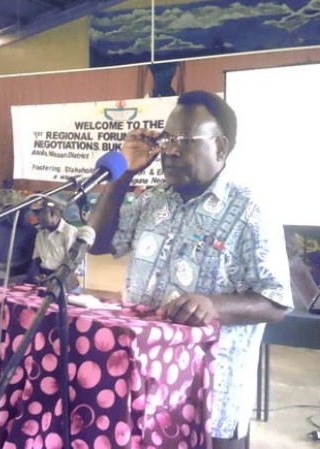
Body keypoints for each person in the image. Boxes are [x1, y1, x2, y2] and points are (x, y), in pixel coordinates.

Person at [88, 90, 293, 449]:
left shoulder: (250, 211)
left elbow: (276, 302)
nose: (170, 150)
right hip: (145, 389)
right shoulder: (153, 200)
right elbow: (97, 242)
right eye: (168, 138)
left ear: (220, 147)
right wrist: (124, 174)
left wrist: (214, 305)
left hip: (209, 399)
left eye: (184, 140)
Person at [28, 199, 80, 290]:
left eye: (41, 214)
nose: (38, 217)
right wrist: (36, 275)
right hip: (44, 277)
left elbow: (72, 263)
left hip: (65, 278)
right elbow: (36, 259)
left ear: (54, 214)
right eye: (37, 214)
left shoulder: (69, 232)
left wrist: (53, 278)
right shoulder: (40, 234)